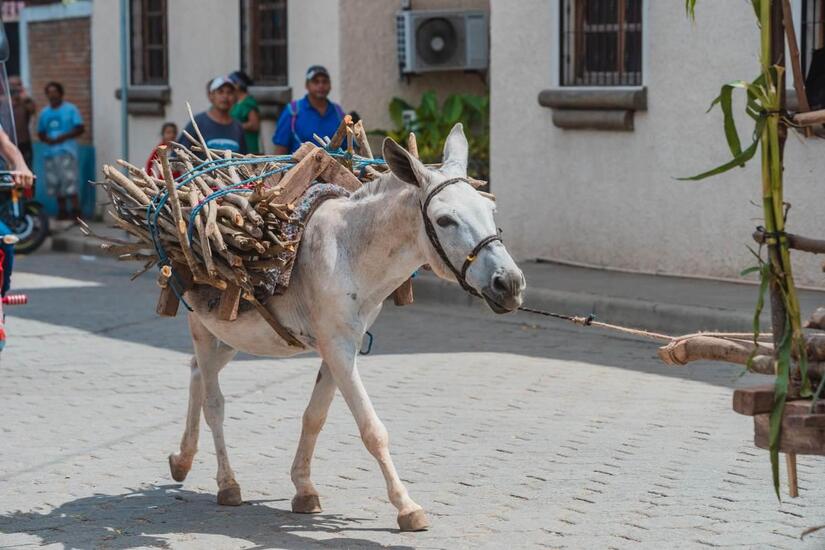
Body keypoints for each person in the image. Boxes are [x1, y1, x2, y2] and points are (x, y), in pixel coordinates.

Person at [36, 81, 84, 220]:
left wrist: (63, 137)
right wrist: (47, 139)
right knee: (55, 183)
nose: (52, 95)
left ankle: (76, 212)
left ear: (60, 93)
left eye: (55, 91)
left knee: (69, 181)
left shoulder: (71, 109)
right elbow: (40, 133)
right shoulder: (44, 113)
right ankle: (62, 212)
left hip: (67, 151)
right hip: (50, 153)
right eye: (49, 92)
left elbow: (80, 128)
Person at [273, 65, 345, 154]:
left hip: (334, 167)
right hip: (300, 167)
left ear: (330, 85)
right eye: (316, 82)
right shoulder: (292, 112)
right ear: (307, 85)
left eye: (324, 81)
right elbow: (280, 150)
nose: (321, 85)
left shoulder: (338, 113)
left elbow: (348, 149)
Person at [179, 76, 246, 156]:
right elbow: (179, 154)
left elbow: (244, 159)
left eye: (229, 92)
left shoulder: (238, 127)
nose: (225, 96)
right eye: (220, 92)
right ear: (211, 95)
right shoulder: (197, 123)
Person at [228, 71, 261, 154]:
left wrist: (235, 126)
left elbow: (255, 125)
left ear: (238, 85)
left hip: (248, 146)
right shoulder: (235, 103)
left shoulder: (248, 103)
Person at [9, 75, 35, 169]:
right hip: (7, 143)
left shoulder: (25, 101)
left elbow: (32, 111)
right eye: (12, 85)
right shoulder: (3, 100)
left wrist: (23, 95)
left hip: (23, 143)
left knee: (26, 170)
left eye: (17, 85)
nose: (14, 88)